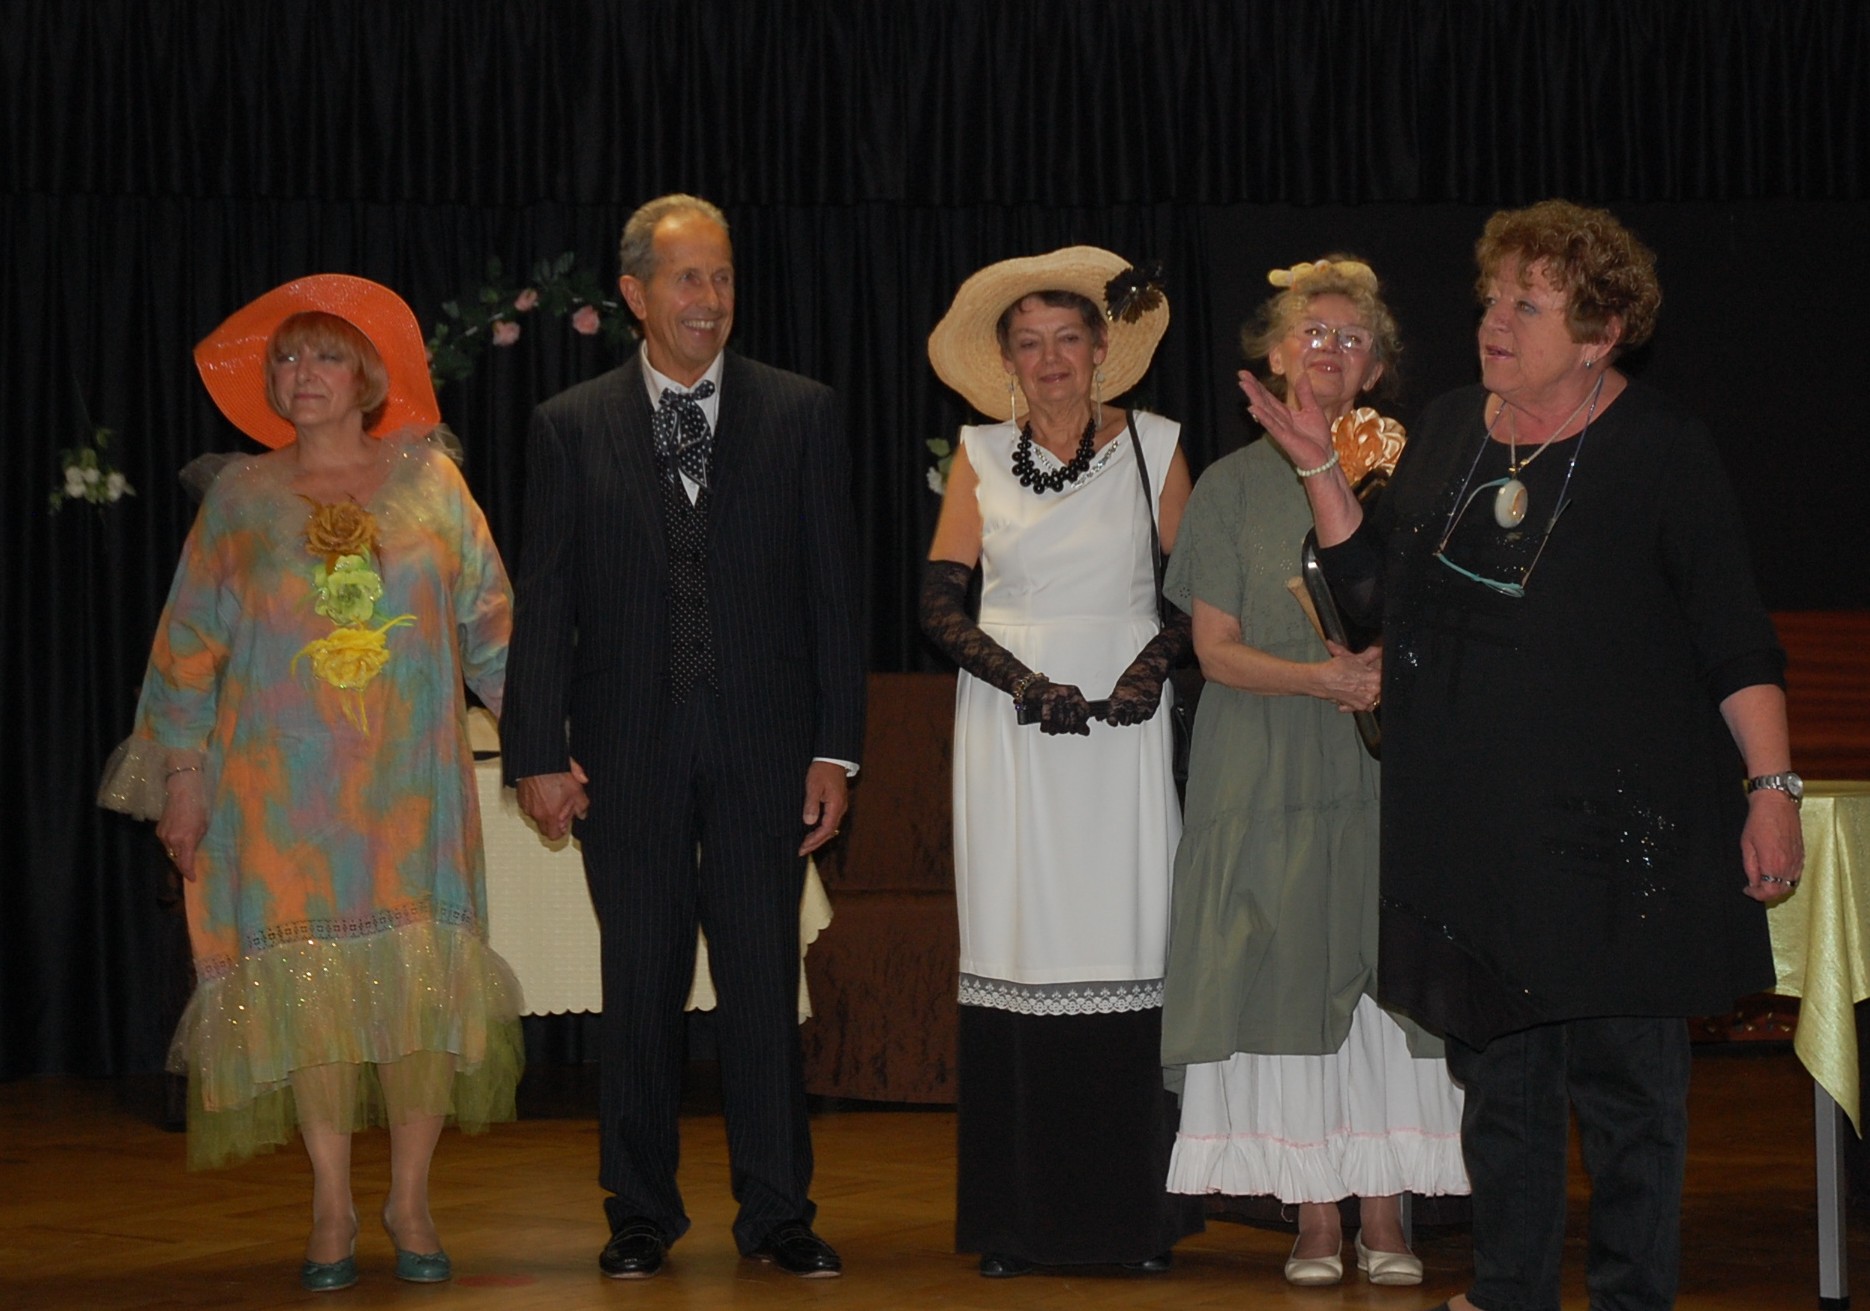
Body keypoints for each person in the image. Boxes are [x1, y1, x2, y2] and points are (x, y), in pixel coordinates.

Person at [1244, 201, 1805, 1311]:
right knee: (1501, 1093)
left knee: (1629, 1101)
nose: (1493, 321)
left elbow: (1735, 639)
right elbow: (1375, 603)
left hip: (1618, 841)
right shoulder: (1453, 425)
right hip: (1478, 830)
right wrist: (1319, 472)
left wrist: (1772, 786)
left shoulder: (1662, 449)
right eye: (1492, 298)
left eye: (1528, 305)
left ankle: (1631, 1298)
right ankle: (1509, 1293)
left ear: (1600, 334)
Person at [102, 275, 523, 1292]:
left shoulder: (433, 487)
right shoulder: (240, 498)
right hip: (281, 799)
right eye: (287, 358)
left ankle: (410, 1198)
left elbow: (493, 628)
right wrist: (181, 777)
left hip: (410, 789)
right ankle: (332, 1199)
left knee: (420, 992)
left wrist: (546, 743)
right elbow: (186, 651)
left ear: (368, 375)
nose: (302, 374)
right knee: (312, 995)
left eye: (325, 355)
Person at [500, 194, 865, 1281]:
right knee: (641, 990)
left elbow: (835, 596)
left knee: (760, 987)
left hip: (766, 753)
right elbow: (546, 602)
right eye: (687, 278)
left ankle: (778, 1211)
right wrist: (535, 750)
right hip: (627, 756)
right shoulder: (570, 425)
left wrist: (834, 749)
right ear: (634, 294)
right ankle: (641, 1212)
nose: (709, 298)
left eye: (722, 276)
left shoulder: (801, 413)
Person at [1162, 256, 1468, 1288]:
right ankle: (1314, 1217)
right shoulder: (1226, 487)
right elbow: (1214, 651)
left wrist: (1387, 674)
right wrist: (1324, 679)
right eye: (1313, 332)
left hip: (1385, 770)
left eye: (1352, 337)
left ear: (1376, 367)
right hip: (1264, 766)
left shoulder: (1416, 474)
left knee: (1386, 979)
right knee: (1285, 975)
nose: (1331, 350)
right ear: (1275, 353)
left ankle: (1386, 1212)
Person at [921, 246, 1205, 1277]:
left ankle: (1135, 1220)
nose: (1050, 361)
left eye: (1067, 339)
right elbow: (939, 601)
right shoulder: (978, 455)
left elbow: (1199, 592)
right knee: (1019, 944)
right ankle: (1016, 1224)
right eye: (1030, 344)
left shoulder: (1157, 446)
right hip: (1012, 734)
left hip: (1123, 732)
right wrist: (1022, 680)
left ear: (1099, 350)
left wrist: (1149, 667)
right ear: (1006, 361)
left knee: (1129, 938)